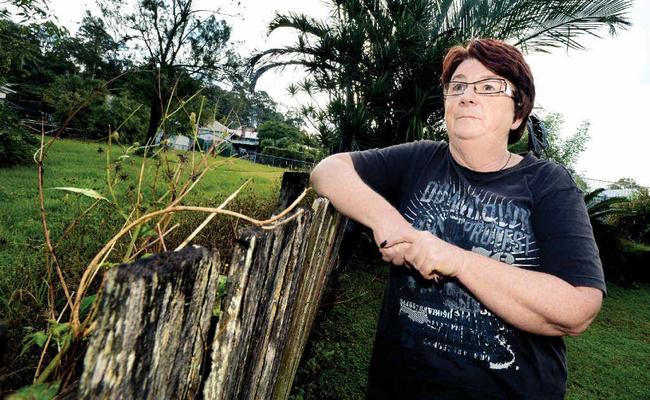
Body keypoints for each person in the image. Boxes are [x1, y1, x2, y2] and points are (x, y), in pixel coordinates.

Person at [309, 38, 605, 399]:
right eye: (458, 87)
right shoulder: (419, 159)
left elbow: (577, 309)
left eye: (489, 87)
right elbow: (328, 170)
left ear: (517, 114)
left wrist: (457, 260)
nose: (467, 96)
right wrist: (389, 221)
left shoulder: (548, 184)